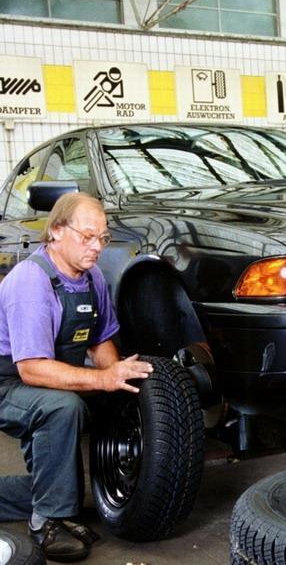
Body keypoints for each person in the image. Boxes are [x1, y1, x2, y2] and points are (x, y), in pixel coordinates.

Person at [0, 192, 153, 562]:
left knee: (105, 399)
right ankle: (48, 521)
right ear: (55, 231)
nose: (97, 246)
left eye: (102, 237)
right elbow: (31, 368)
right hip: (9, 381)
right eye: (87, 236)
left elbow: (100, 342)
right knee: (63, 407)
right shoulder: (31, 281)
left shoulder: (92, 277)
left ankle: (50, 500)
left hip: (45, 377)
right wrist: (101, 381)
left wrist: (117, 380)